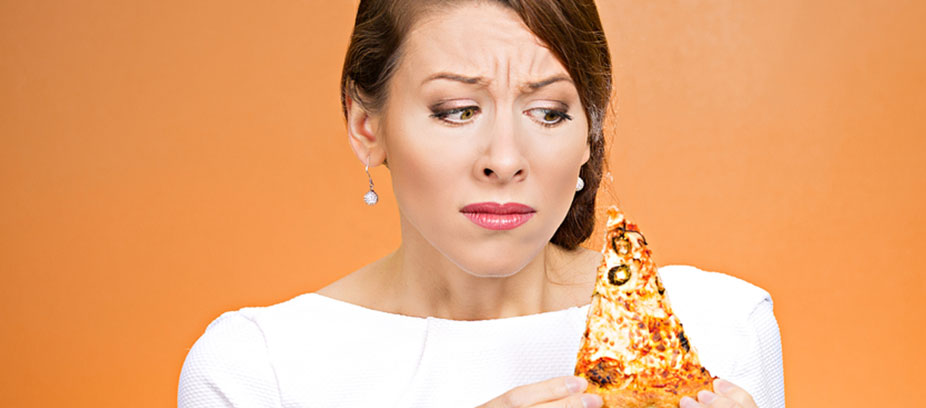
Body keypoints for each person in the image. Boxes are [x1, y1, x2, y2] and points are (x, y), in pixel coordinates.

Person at [177, 1, 784, 407]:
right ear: (367, 124)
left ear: (589, 133)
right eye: (457, 111)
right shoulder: (259, 369)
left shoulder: (717, 328)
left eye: (548, 113)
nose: (504, 157)